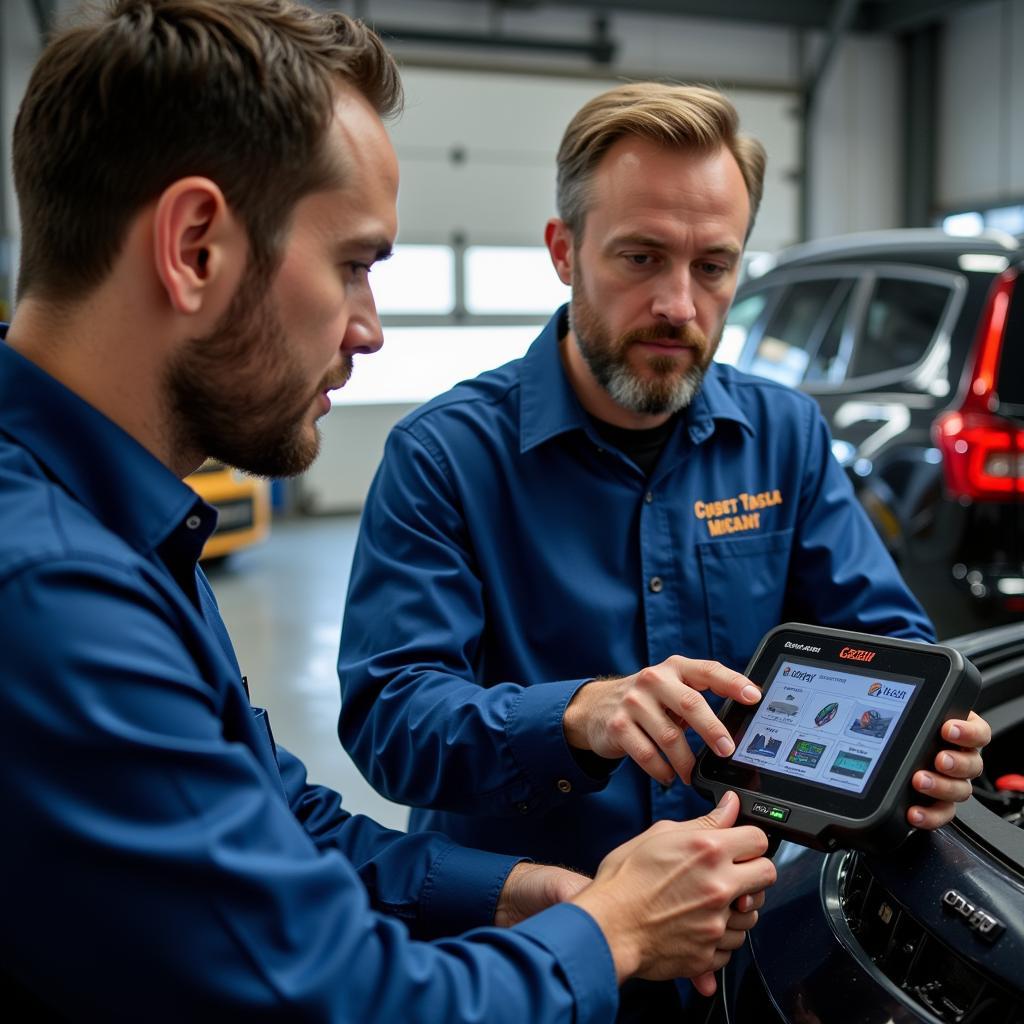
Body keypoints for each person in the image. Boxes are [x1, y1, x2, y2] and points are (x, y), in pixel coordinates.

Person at [0, 7, 779, 1021]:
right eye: (355, 264)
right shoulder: (54, 595)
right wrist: (613, 929)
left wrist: (504, 891)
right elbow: (348, 997)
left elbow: (280, 816)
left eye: (713, 264)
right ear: (195, 246)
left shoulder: (120, 529)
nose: (368, 328)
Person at [337, 82, 991, 1019]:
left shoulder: (784, 437)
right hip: (540, 952)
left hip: (754, 945)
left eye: (714, 266)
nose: (679, 304)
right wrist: (574, 717)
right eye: (641, 257)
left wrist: (929, 744)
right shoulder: (443, 459)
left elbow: (887, 641)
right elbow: (392, 717)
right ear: (564, 253)